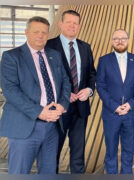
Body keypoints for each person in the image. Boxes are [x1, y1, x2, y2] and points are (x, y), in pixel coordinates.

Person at [0, 16, 71, 174]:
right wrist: (39, 112)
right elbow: (10, 90)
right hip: (24, 125)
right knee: (19, 172)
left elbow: (66, 82)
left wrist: (62, 104)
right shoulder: (11, 56)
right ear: (26, 32)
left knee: (48, 171)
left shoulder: (55, 55)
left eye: (44, 32)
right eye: (36, 32)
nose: (40, 35)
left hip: (52, 127)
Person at [46, 10, 96, 174]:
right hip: (57, 109)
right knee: (53, 152)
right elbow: (44, 78)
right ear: (60, 24)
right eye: (69, 22)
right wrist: (63, 94)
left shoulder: (85, 47)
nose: (72, 26)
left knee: (78, 154)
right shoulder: (48, 46)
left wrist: (89, 90)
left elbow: (92, 74)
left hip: (80, 109)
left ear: (80, 26)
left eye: (75, 23)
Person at [96, 29, 134, 174]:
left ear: (128, 40)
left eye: (123, 38)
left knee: (128, 151)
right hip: (111, 114)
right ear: (112, 41)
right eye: (116, 38)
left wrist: (130, 104)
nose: (120, 41)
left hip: (130, 114)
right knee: (111, 151)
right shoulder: (104, 60)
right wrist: (114, 106)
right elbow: (100, 85)